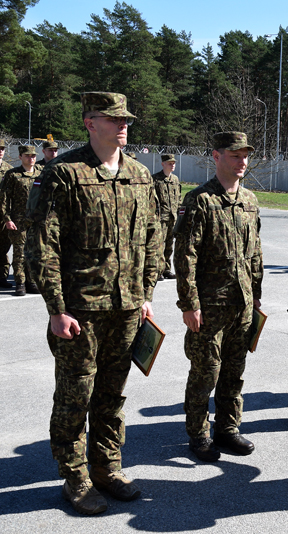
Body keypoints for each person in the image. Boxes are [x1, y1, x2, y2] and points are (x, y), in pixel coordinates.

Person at [25, 92, 161, 515]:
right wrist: (55, 308)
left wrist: (147, 295)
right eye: (112, 118)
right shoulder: (63, 173)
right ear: (90, 123)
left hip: (126, 308)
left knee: (112, 394)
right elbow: (42, 244)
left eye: (126, 119)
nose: (123, 125)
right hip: (80, 310)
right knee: (75, 395)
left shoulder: (140, 174)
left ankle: (107, 467)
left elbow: (153, 239)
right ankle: (75, 476)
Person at [173, 132, 263, 462]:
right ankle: (198, 433)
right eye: (235, 155)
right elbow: (185, 256)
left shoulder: (250, 201)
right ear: (216, 156)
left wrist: (256, 295)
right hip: (209, 306)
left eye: (245, 156)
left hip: (241, 303)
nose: (242, 162)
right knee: (205, 371)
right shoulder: (199, 200)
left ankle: (228, 428)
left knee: (233, 371)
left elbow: (255, 253)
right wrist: (189, 304)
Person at [2, 144, 42, 295]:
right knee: (20, 253)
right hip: (18, 220)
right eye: (27, 156)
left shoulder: (41, 173)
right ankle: (20, 283)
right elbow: (4, 199)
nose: (31, 158)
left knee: (34, 252)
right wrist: (7, 219)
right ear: (20, 157)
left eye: (33, 156)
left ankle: (32, 281)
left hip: (37, 220)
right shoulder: (13, 175)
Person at [152, 153, 182, 280]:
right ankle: (157, 271)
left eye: (174, 163)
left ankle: (166, 269)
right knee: (159, 245)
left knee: (170, 245)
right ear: (163, 164)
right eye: (170, 163)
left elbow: (179, 198)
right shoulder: (155, 179)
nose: (172, 165)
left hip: (172, 217)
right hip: (160, 218)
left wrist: (180, 215)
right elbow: (152, 200)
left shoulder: (174, 180)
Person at [0, 139, 14, 288]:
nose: (0, 151)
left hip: (3, 214)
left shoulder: (9, 170)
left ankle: (2, 277)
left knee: (3, 247)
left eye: (2, 148)